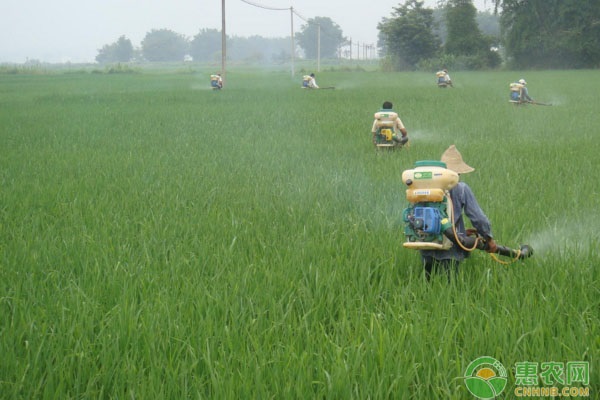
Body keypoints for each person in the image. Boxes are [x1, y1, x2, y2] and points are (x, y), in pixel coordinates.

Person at [420, 145, 497, 281]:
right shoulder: (461, 189)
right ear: (457, 173)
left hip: (427, 246)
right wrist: (489, 239)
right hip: (450, 249)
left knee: (428, 286)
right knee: (451, 290)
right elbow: (479, 219)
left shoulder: (425, 187)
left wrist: (461, 231)